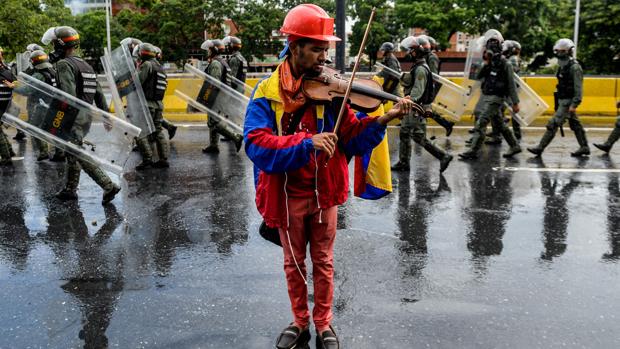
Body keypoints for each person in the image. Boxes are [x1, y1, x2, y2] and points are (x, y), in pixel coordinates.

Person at [243, 5, 414, 349]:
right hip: (288, 195)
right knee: (294, 264)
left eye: (326, 49)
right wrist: (307, 143)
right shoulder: (267, 93)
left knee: (323, 262)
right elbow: (256, 143)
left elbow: (350, 136)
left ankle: (323, 323)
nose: (325, 57)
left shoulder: (332, 92)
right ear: (295, 47)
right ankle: (299, 321)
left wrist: (383, 119)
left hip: (326, 194)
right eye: (318, 49)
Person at [42, 26, 120, 204]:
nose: (53, 49)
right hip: (86, 115)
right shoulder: (86, 65)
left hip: (72, 116)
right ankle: (70, 189)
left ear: (61, 45)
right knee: (71, 151)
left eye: (54, 44)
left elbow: (67, 95)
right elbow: (99, 93)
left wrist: (57, 115)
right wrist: (106, 116)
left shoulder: (63, 64)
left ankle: (108, 185)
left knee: (75, 151)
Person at [391, 36, 453, 173]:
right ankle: (404, 162)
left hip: (416, 108)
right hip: (415, 108)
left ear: (417, 51)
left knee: (414, 135)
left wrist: (408, 101)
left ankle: (442, 155)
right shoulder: (417, 66)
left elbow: (417, 92)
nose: (407, 53)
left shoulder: (420, 69)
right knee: (408, 134)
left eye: (410, 51)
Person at [459, 29, 522, 160]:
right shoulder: (489, 62)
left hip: (497, 98)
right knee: (499, 124)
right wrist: (486, 63)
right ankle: (515, 145)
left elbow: (511, 84)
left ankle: (473, 150)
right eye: (490, 43)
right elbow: (478, 76)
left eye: (495, 43)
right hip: (487, 95)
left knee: (481, 122)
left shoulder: (505, 63)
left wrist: (515, 103)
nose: (492, 46)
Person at [527, 38, 589, 157]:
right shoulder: (562, 66)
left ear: (569, 51)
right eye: (558, 51)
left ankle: (540, 148)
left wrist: (574, 104)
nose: (559, 53)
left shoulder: (575, 67)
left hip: (568, 102)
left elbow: (578, 89)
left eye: (562, 51)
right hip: (562, 100)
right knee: (575, 124)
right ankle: (584, 147)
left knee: (553, 123)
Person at [201, 39, 243, 154]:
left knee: (214, 122)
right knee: (212, 120)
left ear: (213, 50)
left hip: (217, 96)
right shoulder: (222, 61)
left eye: (209, 50)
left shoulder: (215, 63)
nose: (207, 52)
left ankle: (236, 137)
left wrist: (207, 96)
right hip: (222, 95)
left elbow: (214, 82)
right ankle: (213, 145)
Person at [24, 50, 56, 161]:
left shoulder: (38, 75)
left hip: (42, 105)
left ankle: (43, 152)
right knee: (54, 129)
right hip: (54, 105)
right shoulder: (53, 72)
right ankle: (60, 152)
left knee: (33, 128)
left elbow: (27, 90)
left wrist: (14, 87)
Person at [423, 35, 455, 136]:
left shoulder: (432, 57)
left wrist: (429, 88)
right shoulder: (427, 56)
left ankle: (446, 124)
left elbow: (433, 75)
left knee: (426, 107)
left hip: (430, 86)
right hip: (426, 86)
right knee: (425, 107)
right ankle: (446, 124)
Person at [0, 46, 16, 166]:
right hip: (6, 105)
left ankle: (6, 157)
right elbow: (17, 83)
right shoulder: (8, 69)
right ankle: (9, 152)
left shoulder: (5, 70)